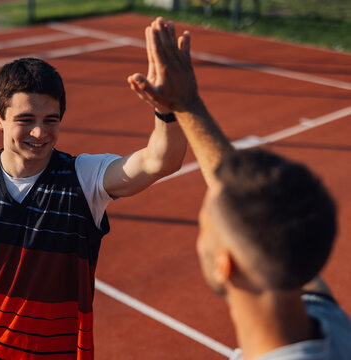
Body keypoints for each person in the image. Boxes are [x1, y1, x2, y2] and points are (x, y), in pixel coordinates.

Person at [0, 56, 187, 359]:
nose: (39, 132)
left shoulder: (84, 178)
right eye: (25, 120)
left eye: (51, 120)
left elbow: (161, 161)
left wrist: (168, 109)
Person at [128, 17, 351, 360]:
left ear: (225, 264)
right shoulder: (330, 325)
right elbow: (234, 190)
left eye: (203, 226)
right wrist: (187, 106)